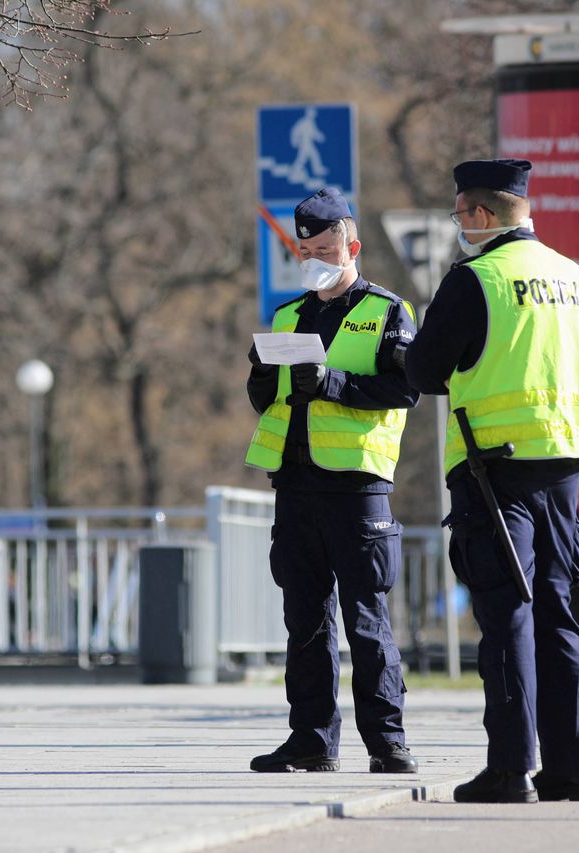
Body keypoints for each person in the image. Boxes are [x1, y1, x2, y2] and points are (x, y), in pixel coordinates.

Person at [404, 159, 579, 803]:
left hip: (495, 469)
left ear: (483, 215)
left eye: (462, 213)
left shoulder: (477, 279)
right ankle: (577, 766)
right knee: (558, 615)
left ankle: (510, 767)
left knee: (507, 615)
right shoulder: (575, 276)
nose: (459, 225)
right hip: (566, 468)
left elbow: (426, 371)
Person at [245, 187, 420, 774]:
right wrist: (266, 376)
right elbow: (260, 397)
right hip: (295, 485)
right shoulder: (288, 315)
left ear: (353, 247)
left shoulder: (388, 311)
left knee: (365, 620)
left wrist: (331, 383)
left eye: (326, 248)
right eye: (306, 250)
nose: (315, 259)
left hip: (357, 485)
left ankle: (387, 742)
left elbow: (404, 389)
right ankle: (312, 741)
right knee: (306, 621)